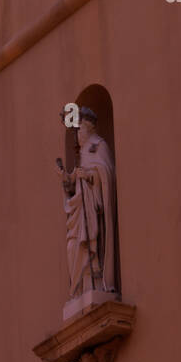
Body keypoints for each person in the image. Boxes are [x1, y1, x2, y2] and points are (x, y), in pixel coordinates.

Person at [56, 105, 117, 301]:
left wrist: (90, 177)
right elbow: (75, 183)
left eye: (79, 129)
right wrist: (67, 178)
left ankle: (97, 282)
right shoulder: (82, 153)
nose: (77, 135)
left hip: (93, 211)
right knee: (72, 247)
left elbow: (106, 173)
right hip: (79, 212)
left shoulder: (98, 146)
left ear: (88, 127)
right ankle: (80, 287)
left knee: (88, 245)